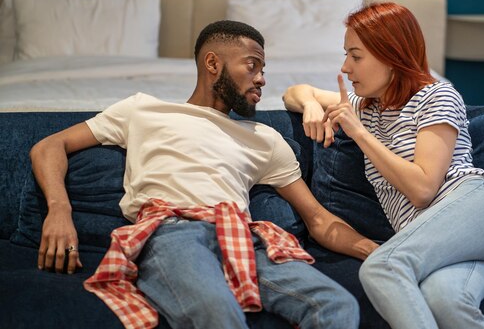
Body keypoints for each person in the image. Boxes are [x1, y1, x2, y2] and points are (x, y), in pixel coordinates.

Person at [30, 20, 380, 329]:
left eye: (263, 68)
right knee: (216, 312)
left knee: (335, 306)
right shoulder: (143, 110)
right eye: (252, 65)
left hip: (243, 239)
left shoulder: (264, 138)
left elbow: (317, 218)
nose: (262, 78)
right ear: (213, 63)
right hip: (172, 234)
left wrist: (375, 250)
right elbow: (49, 146)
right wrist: (60, 211)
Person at [282, 2, 484, 329]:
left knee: (383, 266)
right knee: (446, 301)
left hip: (481, 209)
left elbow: (423, 189)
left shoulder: (436, 96)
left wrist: (359, 133)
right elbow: (295, 92)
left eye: (356, 56)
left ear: (391, 56)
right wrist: (310, 104)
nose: (346, 68)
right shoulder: (366, 106)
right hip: (447, 243)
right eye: (345, 55)